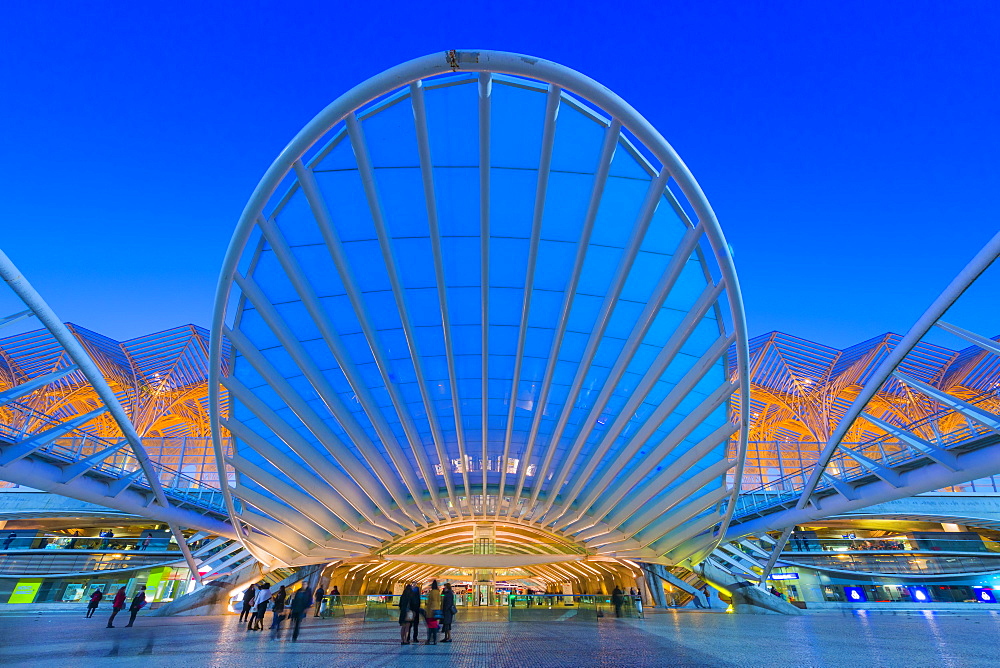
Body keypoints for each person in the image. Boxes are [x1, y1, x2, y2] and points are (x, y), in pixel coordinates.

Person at [425, 580, 442, 645]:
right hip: (437, 611)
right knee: (434, 626)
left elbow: (429, 602)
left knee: (429, 627)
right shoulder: (438, 592)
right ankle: (435, 640)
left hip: (430, 612)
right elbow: (439, 601)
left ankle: (429, 639)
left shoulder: (431, 592)